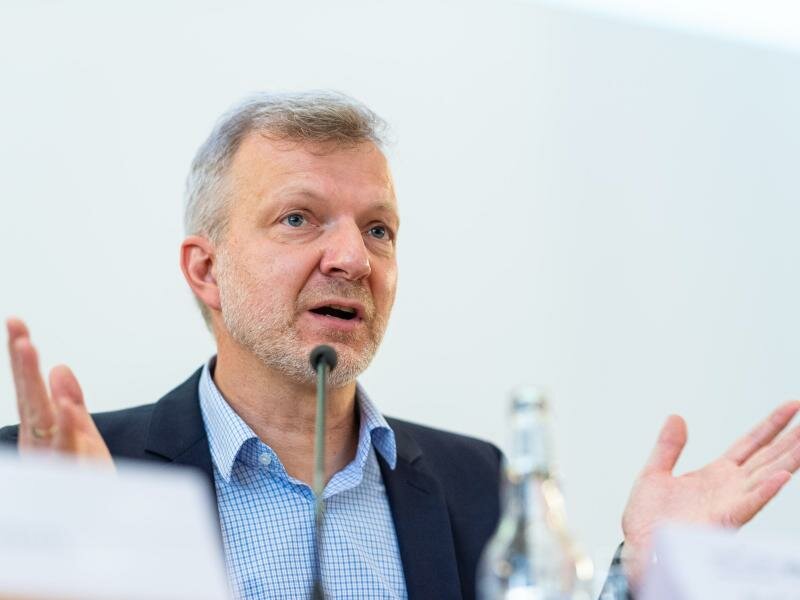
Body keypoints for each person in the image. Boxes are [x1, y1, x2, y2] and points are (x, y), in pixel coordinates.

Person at [3, 91, 800, 600]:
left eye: (378, 229)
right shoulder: (69, 478)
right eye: (299, 219)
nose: (352, 258)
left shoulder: (472, 483)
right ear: (205, 270)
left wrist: (643, 570)